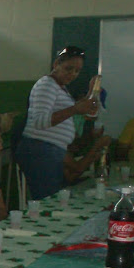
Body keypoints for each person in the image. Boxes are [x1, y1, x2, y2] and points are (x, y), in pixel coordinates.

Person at [15, 46, 98, 199]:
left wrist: (87, 99)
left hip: (50, 151)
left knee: (52, 199)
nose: (72, 74)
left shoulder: (60, 88)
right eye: (68, 68)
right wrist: (75, 109)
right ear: (56, 64)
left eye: (77, 71)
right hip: (40, 151)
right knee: (48, 202)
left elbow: (69, 112)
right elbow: (40, 122)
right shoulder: (47, 84)